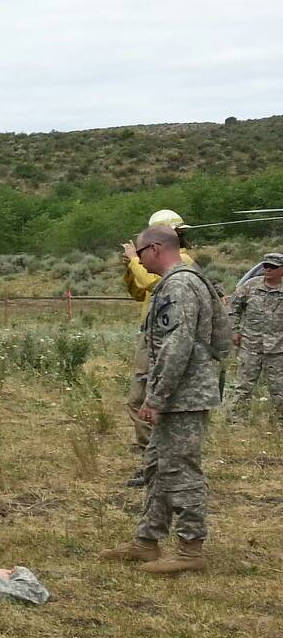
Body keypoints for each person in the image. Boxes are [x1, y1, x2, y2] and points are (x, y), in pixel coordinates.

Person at [100, 225, 224, 574]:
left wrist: (155, 397)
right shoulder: (179, 281)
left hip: (183, 396)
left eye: (138, 254)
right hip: (178, 392)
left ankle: (190, 548)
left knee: (181, 469)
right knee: (156, 465)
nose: (137, 259)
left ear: (154, 249)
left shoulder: (180, 284)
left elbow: (176, 346)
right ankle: (147, 541)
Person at [121, 208, 197, 479]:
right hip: (152, 335)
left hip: (164, 340)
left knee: (142, 400)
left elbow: (151, 283)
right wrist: (131, 268)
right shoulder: (171, 263)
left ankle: (154, 463)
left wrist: (134, 261)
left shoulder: (181, 263)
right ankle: (157, 462)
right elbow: (138, 291)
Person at [226, 251, 283, 421]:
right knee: (243, 385)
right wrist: (234, 330)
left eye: (273, 267)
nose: (268, 269)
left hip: (278, 349)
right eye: (265, 266)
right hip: (250, 346)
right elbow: (233, 308)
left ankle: (278, 422)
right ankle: (236, 420)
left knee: (279, 388)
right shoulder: (250, 286)